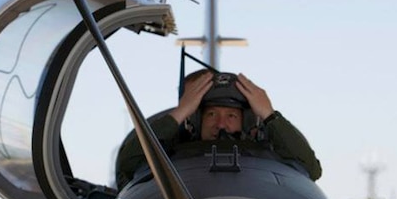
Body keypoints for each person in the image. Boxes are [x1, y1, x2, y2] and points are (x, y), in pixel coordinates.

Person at [115, 70, 322, 189]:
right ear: (196, 119)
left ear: (247, 122)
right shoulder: (171, 154)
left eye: (231, 116)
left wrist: (269, 114)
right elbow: (130, 165)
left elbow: (310, 170)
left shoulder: (268, 153)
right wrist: (181, 112)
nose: (221, 124)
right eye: (211, 114)